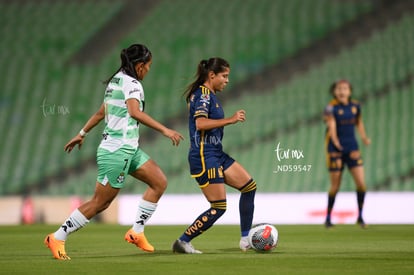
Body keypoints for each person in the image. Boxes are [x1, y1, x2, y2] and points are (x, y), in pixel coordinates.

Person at [44, 44, 184, 260]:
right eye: (148, 66)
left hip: (129, 148)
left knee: (159, 182)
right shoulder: (132, 84)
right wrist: (165, 130)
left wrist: (82, 132)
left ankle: (136, 232)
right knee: (100, 202)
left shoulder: (116, 80)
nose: (148, 70)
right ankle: (57, 237)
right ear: (139, 66)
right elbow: (134, 113)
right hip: (117, 150)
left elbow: (102, 111)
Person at [172, 57, 257, 254]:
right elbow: (201, 124)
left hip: (216, 152)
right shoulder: (203, 95)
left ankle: (245, 239)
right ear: (212, 75)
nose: (227, 80)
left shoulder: (206, 95)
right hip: (204, 155)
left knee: (249, 187)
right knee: (218, 206)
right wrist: (231, 119)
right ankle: (183, 241)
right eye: (224, 76)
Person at [323, 79, 371, 228]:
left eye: (344, 88)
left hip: (352, 148)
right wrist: (336, 142)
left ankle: (361, 217)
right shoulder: (330, 107)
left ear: (349, 91)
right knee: (335, 185)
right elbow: (331, 124)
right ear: (334, 91)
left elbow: (359, 122)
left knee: (361, 184)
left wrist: (364, 137)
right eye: (339, 89)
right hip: (335, 149)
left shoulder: (356, 106)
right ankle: (328, 218)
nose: (342, 91)